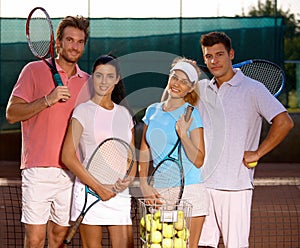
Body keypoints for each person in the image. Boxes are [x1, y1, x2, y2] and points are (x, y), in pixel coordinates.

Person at [6, 15, 115, 248]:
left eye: (80, 41)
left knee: (58, 237)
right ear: (58, 42)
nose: (74, 46)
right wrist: (48, 99)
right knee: (35, 239)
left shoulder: (88, 82)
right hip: (38, 169)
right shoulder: (33, 70)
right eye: (69, 40)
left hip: (72, 174)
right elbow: (12, 113)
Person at [195, 32, 294, 248]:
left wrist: (257, 153)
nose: (214, 61)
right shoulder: (201, 89)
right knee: (201, 245)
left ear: (231, 54)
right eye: (209, 56)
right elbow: (171, 99)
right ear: (204, 59)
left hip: (236, 184)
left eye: (220, 54)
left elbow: (285, 122)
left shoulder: (254, 89)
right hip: (202, 183)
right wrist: (184, 72)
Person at [61, 54, 137, 248]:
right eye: (99, 75)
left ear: (117, 79)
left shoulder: (124, 114)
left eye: (110, 76)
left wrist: (129, 177)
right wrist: (99, 188)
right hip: (89, 191)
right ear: (92, 77)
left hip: (118, 193)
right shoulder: (82, 111)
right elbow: (67, 156)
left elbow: (131, 158)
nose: (104, 81)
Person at [139, 57, 209, 248]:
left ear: (191, 88)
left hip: (190, 191)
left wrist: (183, 134)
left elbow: (199, 160)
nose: (177, 83)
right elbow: (144, 149)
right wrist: (144, 184)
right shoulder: (152, 111)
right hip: (160, 192)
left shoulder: (191, 114)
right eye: (175, 77)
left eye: (184, 81)